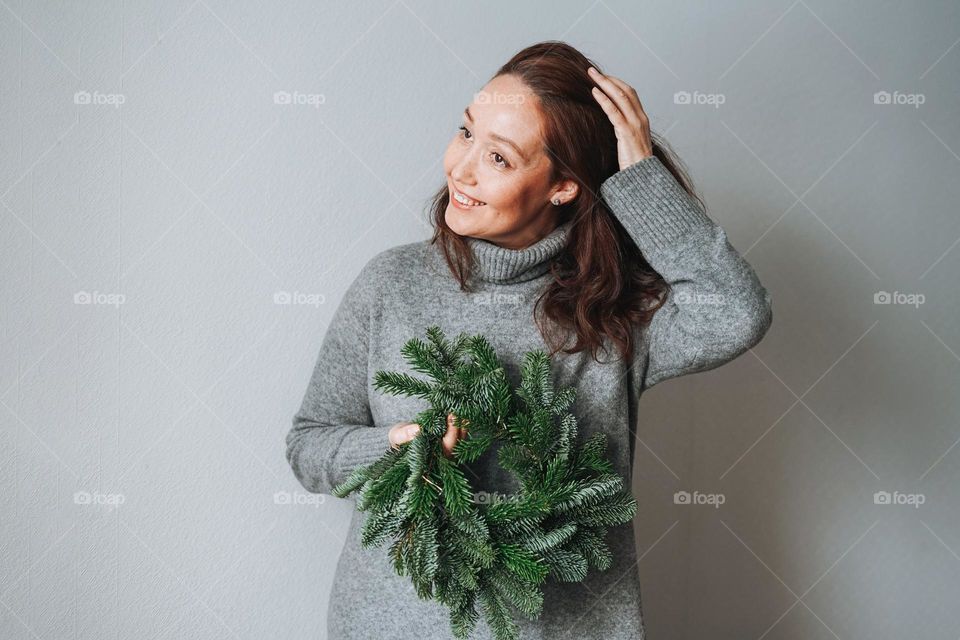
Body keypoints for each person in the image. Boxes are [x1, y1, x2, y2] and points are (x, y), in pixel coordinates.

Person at [285, 40, 773, 639]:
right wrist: (396, 449)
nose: (461, 169)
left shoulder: (615, 313)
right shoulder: (391, 283)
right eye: (466, 133)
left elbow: (736, 312)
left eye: (499, 158)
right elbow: (308, 446)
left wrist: (639, 179)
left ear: (563, 187)